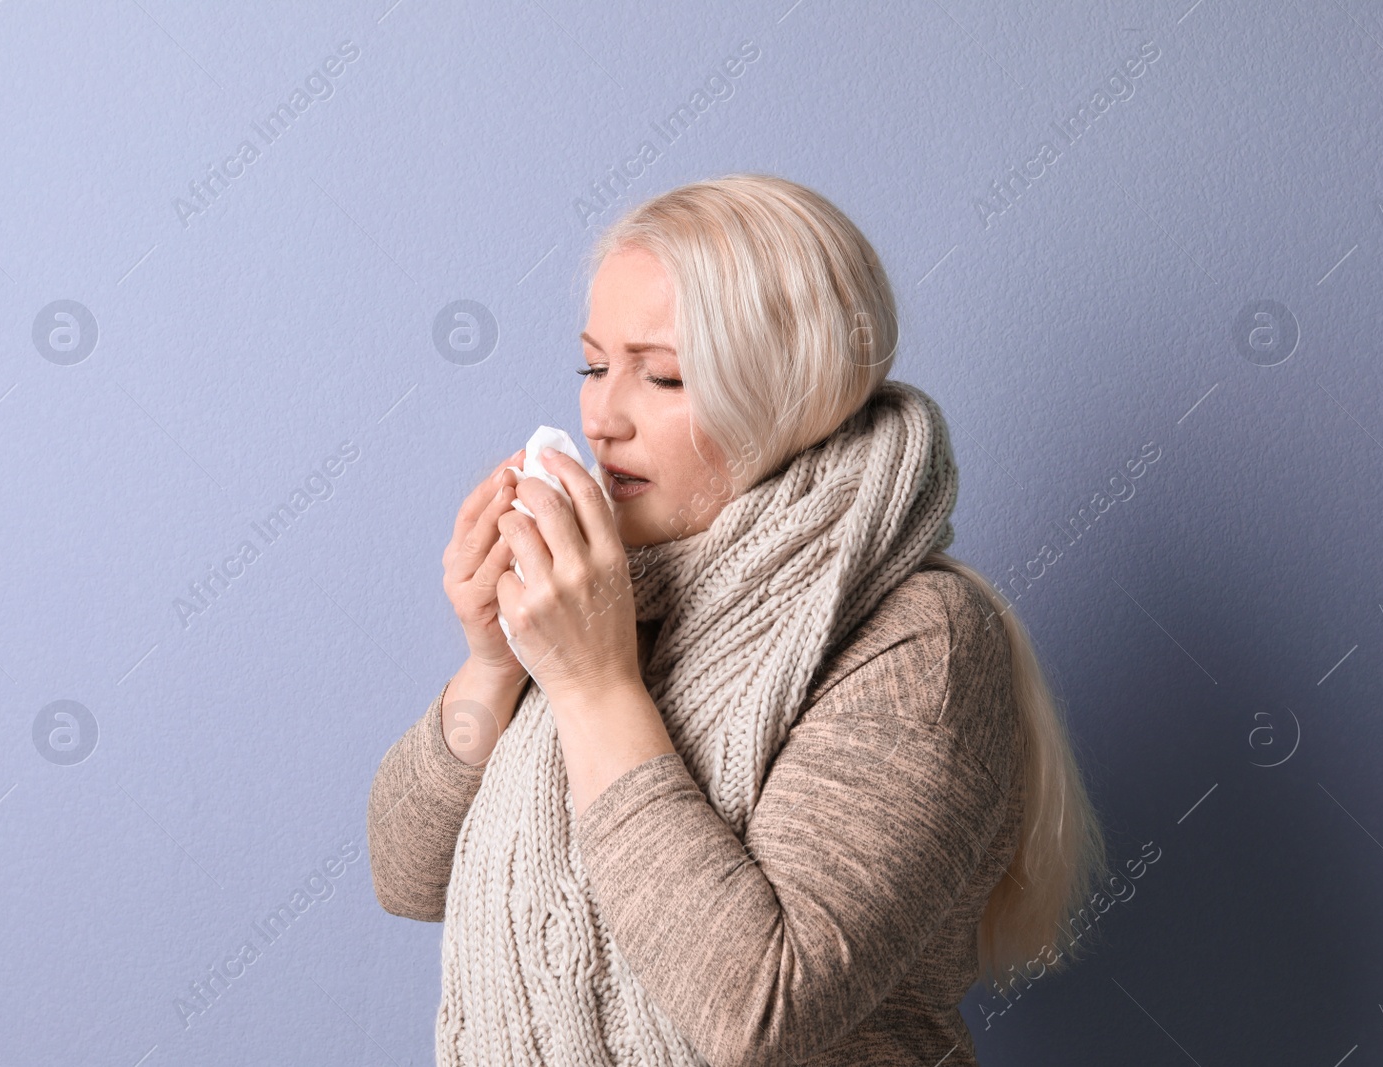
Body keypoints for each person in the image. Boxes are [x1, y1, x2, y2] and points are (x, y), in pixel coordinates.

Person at [367, 173, 1108, 1066]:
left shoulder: (923, 642)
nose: (601, 416)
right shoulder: (614, 594)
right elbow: (406, 873)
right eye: (594, 366)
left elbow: (761, 1007)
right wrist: (495, 660)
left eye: (666, 376)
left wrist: (597, 687)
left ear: (790, 393)